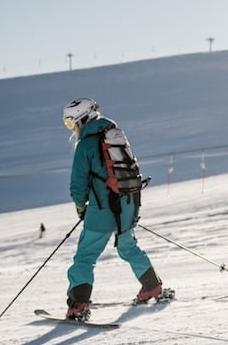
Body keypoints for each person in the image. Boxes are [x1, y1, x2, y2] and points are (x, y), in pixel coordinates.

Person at [62, 97, 165, 320]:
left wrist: (80, 207)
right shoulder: (116, 135)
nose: (71, 128)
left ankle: (78, 304)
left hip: (102, 209)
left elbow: (78, 185)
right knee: (128, 246)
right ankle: (152, 286)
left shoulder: (85, 145)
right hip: (128, 204)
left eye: (70, 123)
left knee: (85, 256)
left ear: (81, 119)